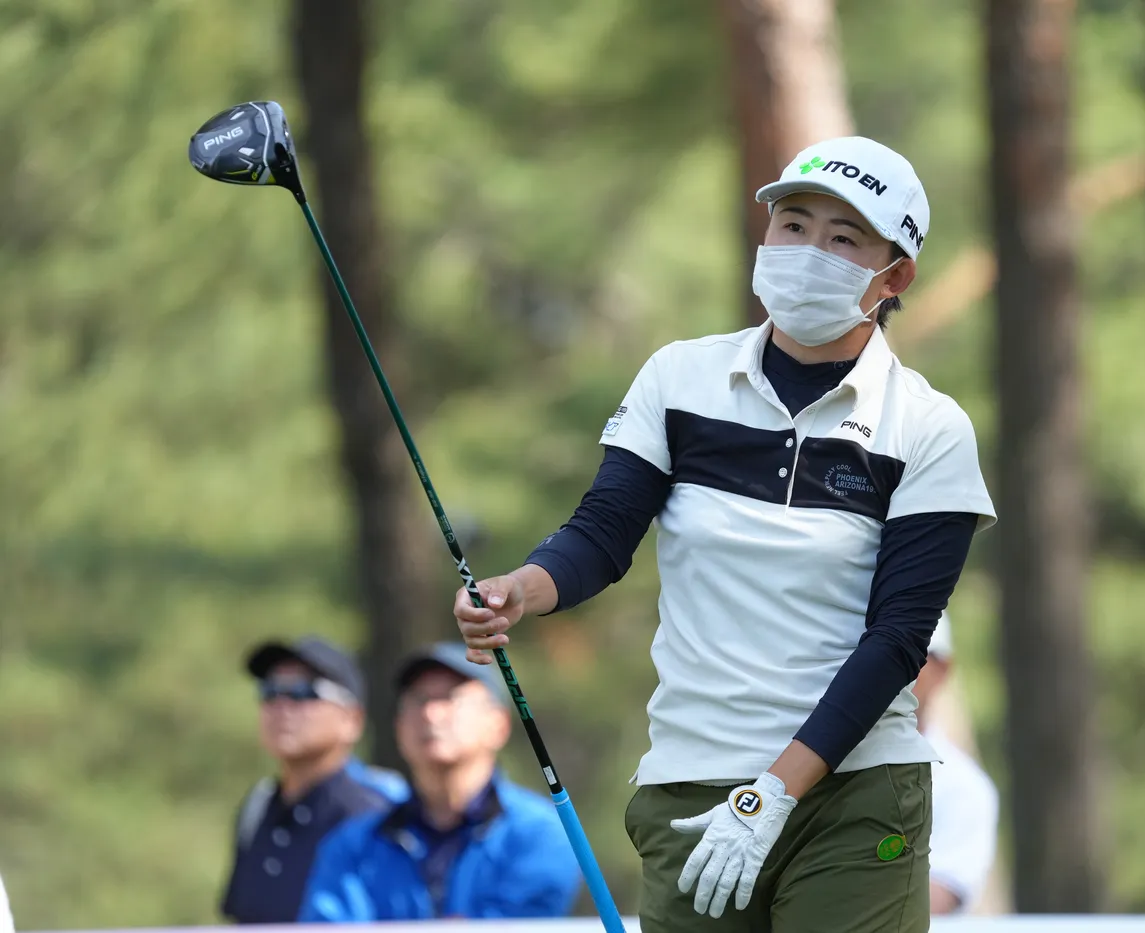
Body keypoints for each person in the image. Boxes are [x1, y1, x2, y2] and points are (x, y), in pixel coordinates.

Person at [454, 135, 997, 932]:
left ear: (895, 277)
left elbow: (898, 640)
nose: (808, 251)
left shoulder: (927, 427)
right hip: (692, 777)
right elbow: (603, 532)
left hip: (853, 793)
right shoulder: (680, 379)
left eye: (844, 238)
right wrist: (520, 590)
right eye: (794, 225)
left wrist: (774, 790)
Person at [299, 643, 582, 920]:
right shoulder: (353, 845)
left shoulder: (542, 834)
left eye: (450, 698)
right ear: (399, 727)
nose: (431, 713)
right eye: (418, 700)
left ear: (499, 724)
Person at [221, 636, 408, 924]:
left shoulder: (378, 814)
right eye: (270, 692)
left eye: (302, 693)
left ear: (352, 720)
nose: (281, 706)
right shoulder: (258, 808)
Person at [911, 616, 1000, 915]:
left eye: (908, 654)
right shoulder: (815, 764)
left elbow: (933, 901)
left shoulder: (963, 788)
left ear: (941, 670)